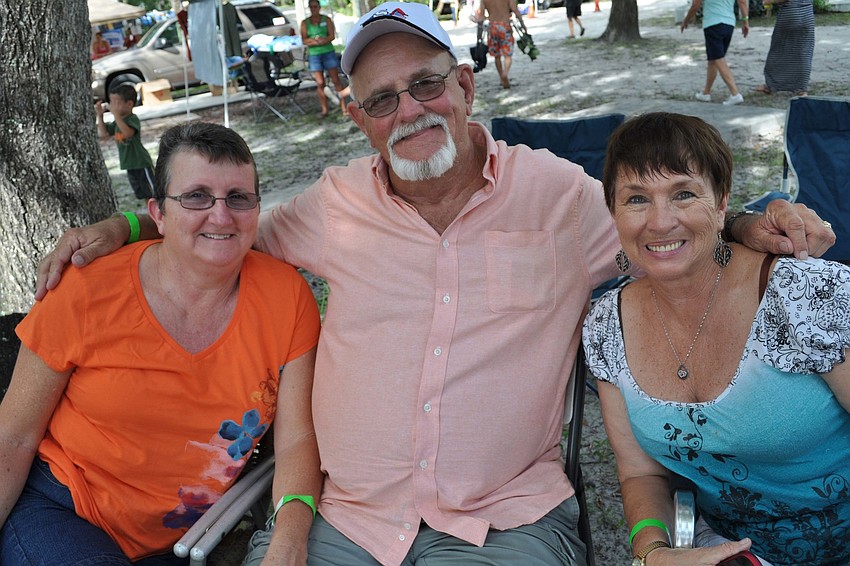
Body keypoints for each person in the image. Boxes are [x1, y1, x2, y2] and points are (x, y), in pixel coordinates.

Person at [35, 4, 835, 565]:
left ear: (465, 87)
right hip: (345, 522)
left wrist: (743, 222)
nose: (409, 111)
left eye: (425, 84)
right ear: (359, 120)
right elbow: (224, 221)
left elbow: (658, 221)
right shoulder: (333, 203)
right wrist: (127, 227)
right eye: (382, 100)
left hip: (503, 520)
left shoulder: (557, 195)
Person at [0, 123, 322, 564]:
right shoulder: (86, 289)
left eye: (238, 198)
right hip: (64, 509)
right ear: (158, 212)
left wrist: (289, 539)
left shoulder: (287, 298)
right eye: (196, 196)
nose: (221, 215)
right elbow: (13, 436)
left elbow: (295, 439)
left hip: (183, 539)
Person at [582, 113, 850, 565]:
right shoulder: (608, 327)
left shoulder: (802, 295)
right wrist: (653, 553)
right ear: (613, 212)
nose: (660, 221)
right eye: (636, 199)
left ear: (723, 202)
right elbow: (641, 475)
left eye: (683, 194)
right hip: (729, 552)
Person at [681, 0, 749, 106]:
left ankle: (735, 94)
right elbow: (742, 2)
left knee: (718, 59)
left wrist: (686, 20)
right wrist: (745, 21)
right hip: (729, 23)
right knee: (713, 60)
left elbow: (695, 5)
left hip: (712, 23)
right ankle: (706, 93)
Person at [96, 84, 156, 200]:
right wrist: (100, 116)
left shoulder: (132, 119)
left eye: (116, 102)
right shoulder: (117, 122)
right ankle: (151, 216)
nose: (112, 105)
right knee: (143, 195)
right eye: (111, 102)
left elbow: (128, 133)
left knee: (153, 193)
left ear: (129, 104)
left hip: (141, 163)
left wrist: (116, 115)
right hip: (129, 165)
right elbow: (104, 134)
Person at [754, 0, 815, 96]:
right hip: (807, 15)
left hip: (790, 13)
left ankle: (771, 85)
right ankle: (802, 88)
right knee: (804, 52)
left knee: (778, 50)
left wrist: (768, 1)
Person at [300, 0, 350, 117]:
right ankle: (324, 110)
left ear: (319, 7)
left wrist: (322, 40)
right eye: (311, 7)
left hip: (328, 52)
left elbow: (331, 36)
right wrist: (314, 41)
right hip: (314, 54)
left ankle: (344, 108)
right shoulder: (305, 23)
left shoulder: (326, 19)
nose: (314, 9)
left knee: (336, 80)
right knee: (320, 82)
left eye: (315, 6)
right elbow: (304, 39)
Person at [476, 0, 527, 88]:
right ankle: (505, 74)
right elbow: (515, 10)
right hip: (505, 25)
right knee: (508, 55)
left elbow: (481, 16)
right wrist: (522, 25)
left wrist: (479, 35)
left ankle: (501, 78)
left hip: (492, 27)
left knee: (497, 55)